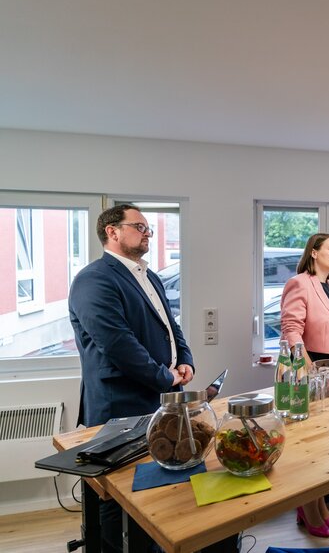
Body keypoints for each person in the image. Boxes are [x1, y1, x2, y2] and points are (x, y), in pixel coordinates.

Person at [69, 204, 195, 553]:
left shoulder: (150, 276)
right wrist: (165, 377)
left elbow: (170, 326)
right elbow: (117, 344)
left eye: (148, 228)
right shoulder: (94, 279)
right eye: (139, 227)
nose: (148, 233)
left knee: (154, 490)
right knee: (118, 499)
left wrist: (185, 360)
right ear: (112, 231)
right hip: (119, 406)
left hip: (157, 399)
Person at [280, 233, 329, 538]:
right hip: (315, 369)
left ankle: (317, 505)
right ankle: (309, 508)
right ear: (314, 252)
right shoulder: (300, 283)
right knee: (314, 445)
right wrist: (308, 369)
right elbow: (291, 329)